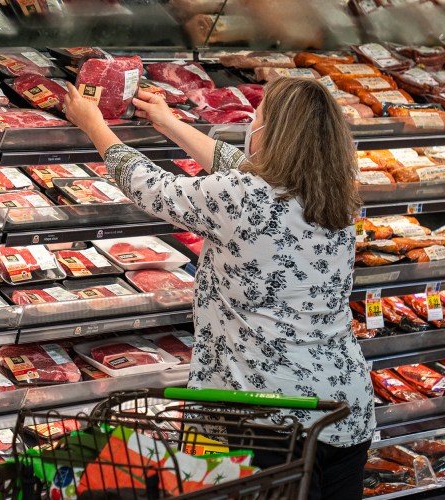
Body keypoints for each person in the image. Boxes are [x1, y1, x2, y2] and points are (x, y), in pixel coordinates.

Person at [63, 77, 375, 500]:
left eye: (258, 118)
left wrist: (92, 124)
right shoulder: (335, 193)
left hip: (271, 415)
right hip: (343, 405)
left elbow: (150, 186)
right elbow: (240, 165)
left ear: (273, 134)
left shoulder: (242, 196)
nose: (252, 126)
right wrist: (168, 122)